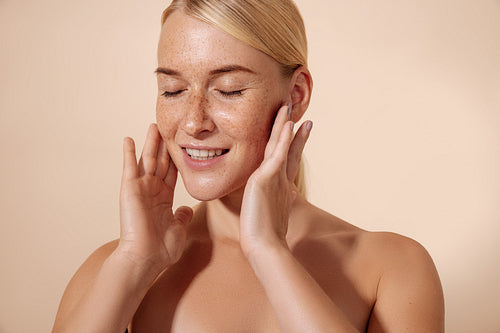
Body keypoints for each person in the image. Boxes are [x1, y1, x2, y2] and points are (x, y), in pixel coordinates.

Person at [52, 0, 445, 332]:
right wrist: (134, 264)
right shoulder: (113, 270)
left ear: (296, 93)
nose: (192, 122)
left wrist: (269, 252)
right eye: (172, 90)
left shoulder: (392, 268)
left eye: (229, 90)